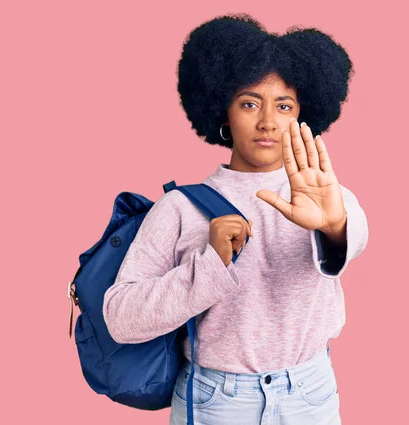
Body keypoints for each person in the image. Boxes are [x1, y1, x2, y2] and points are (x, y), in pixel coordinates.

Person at [102, 13, 368, 425]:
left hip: (310, 394)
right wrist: (210, 265)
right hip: (218, 402)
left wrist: (332, 227)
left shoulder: (323, 193)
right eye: (249, 103)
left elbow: (354, 234)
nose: (267, 122)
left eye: (284, 105)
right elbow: (121, 318)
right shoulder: (179, 208)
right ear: (223, 111)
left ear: (303, 114)